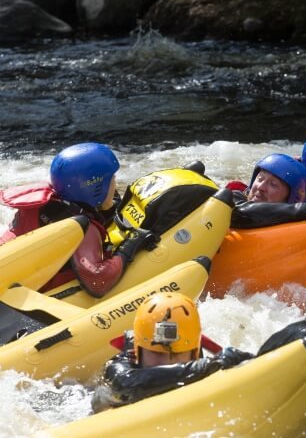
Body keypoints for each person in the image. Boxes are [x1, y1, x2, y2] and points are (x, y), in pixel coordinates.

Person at [0, 142, 157, 296]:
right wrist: (130, 245)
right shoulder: (81, 227)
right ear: (96, 187)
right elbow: (97, 281)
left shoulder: (41, 203)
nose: (115, 186)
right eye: (112, 179)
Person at [91, 292, 253, 412]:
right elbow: (126, 384)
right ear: (138, 352)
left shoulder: (207, 365)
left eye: (177, 355)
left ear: (194, 353)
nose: (167, 362)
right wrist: (205, 367)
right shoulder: (118, 368)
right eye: (157, 354)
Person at [228, 153, 306, 248]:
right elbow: (240, 213)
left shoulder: (300, 228)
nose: (261, 187)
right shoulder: (233, 198)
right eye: (260, 179)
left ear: (292, 198)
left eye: (273, 185)